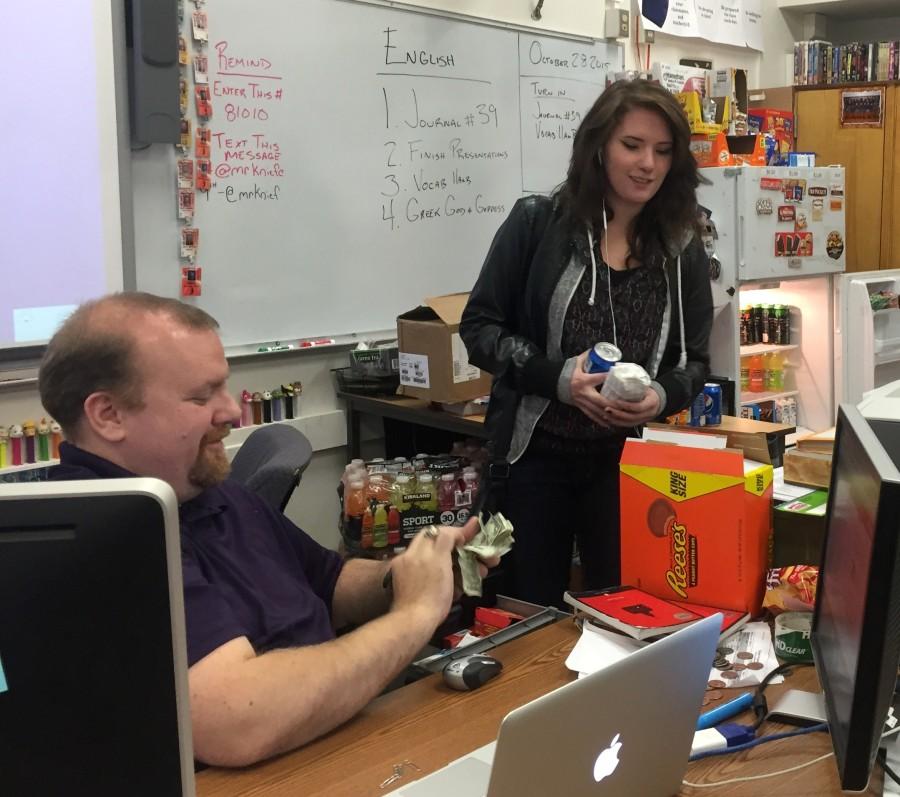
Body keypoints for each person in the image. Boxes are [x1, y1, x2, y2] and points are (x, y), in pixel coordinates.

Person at [38, 292, 493, 768]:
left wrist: (413, 574)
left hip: (333, 744)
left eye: (224, 388)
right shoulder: (104, 536)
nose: (232, 413)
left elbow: (330, 582)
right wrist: (416, 612)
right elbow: (236, 724)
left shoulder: (205, 487)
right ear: (108, 415)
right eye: (200, 396)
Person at [460, 79, 713, 608]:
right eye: (632, 145)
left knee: (624, 611)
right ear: (598, 146)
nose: (648, 163)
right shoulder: (537, 223)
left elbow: (694, 364)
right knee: (527, 614)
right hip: (534, 462)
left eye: (663, 151)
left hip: (625, 466)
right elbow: (480, 327)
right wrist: (557, 380)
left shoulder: (679, 247)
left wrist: (660, 398)